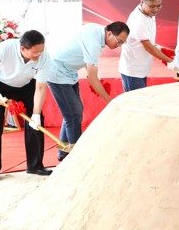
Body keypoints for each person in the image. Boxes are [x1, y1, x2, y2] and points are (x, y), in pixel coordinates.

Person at [47, 21, 129, 161]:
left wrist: (98, 81)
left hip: (69, 72)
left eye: (122, 43)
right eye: (119, 41)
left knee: (73, 113)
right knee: (74, 115)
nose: (119, 46)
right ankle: (77, 158)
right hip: (57, 72)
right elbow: (92, 78)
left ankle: (63, 151)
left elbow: (90, 67)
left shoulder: (98, 33)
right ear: (109, 33)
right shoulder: (94, 41)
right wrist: (110, 101)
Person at [0, 29, 52, 181]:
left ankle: (35, 165)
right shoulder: (4, 49)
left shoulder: (44, 57)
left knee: (36, 122)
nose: (39, 55)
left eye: (41, 51)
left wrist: (36, 114)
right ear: (23, 49)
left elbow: (40, 87)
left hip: (25, 85)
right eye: (35, 52)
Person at [119, 0, 173, 91]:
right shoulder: (138, 20)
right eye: (152, 6)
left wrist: (161, 50)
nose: (155, 10)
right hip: (133, 72)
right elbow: (148, 47)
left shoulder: (149, 13)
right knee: (136, 101)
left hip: (141, 68)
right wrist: (170, 61)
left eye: (159, 6)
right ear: (142, 2)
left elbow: (148, 41)